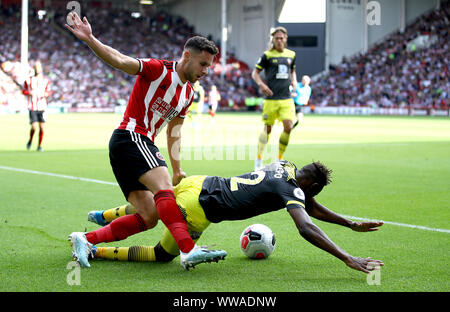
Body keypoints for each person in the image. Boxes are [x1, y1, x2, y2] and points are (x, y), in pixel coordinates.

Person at [64, 11, 226, 270]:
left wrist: (177, 169)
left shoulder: (188, 93)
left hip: (132, 146)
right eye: (203, 64)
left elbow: (175, 131)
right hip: (132, 136)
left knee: (149, 216)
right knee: (164, 191)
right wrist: (90, 39)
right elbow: (119, 60)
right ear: (187, 56)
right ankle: (188, 250)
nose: (206, 71)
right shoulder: (158, 70)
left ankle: (85, 239)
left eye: (209, 66)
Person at [87, 160, 384, 274]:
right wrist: (347, 257)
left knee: (152, 205)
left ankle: (103, 215)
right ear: (313, 185)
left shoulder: (286, 166)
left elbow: (310, 204)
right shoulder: (290, 188)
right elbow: (306, 226)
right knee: (162, 254)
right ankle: (96, 250)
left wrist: (350, 224)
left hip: (201, 182)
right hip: (202, 206)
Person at [252, 26, 297, 170]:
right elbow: (255, 73)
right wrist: (261, 85)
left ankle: (279, 159)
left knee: (288, 127)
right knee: (268, 129)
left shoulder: (291, 55)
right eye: (277, 38)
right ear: (273, 39)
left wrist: (294, 81)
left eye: (281, 38)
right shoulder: (267, 55)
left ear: (285, 39)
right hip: (271, 99)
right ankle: (259, 159)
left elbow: (293, 71)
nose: (279, 40)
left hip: (286, 98)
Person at [22, 61, 51, 152]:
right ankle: (30, 140)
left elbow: (49, 92)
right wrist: (29, 93)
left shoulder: (45, 80)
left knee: (42, 127)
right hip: (32, 107)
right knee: (34, 127)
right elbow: (24, 91)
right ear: (34, 68)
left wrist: (46, 94)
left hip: (42, 107)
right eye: (35, 67)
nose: (37, 69)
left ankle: (39, 145)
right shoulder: (28, 80)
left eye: (38, 67)